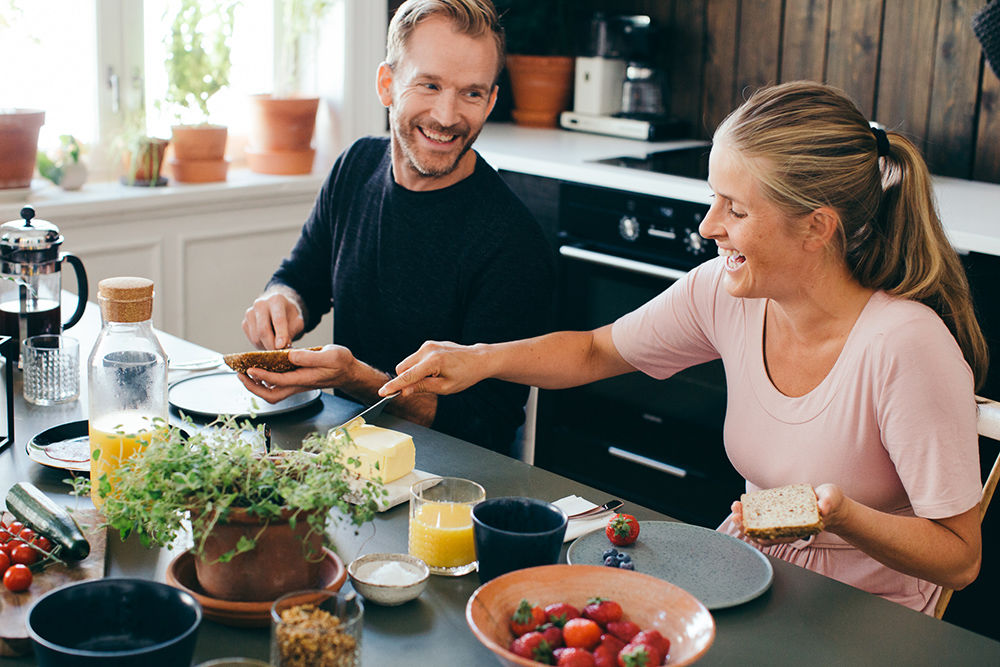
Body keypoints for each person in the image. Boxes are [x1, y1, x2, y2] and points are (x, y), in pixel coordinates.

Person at [380, 81, 987, 614]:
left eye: (737, 209)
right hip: (751, 575)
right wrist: (477, 359)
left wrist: (842, 515)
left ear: (817, 227)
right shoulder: (727, 294)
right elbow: (595, 350)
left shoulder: (906, 347)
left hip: (866, 615)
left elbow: (959, 560)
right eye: (714, 198)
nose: (707, 225)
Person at [239, 0, 554, 455]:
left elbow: (482, 428)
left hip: (448, 485)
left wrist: (358, 379)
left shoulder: (513, 244)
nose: (447, 116)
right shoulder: (355, 166)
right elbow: (301, 278)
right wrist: (281, 301)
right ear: (387, 84)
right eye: (429, 84)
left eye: (471, 93)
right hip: (343, 454)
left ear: (491, 101)